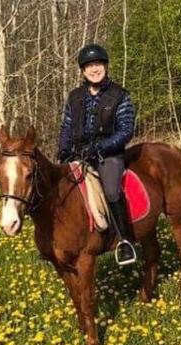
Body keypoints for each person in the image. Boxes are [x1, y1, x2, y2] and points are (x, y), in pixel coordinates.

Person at [57, 43, 137, 266]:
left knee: (111, 190)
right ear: (83, 70)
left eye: (98, 64)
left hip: (108, 155)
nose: (95, 69)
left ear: (106, 66)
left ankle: (125, 241)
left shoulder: (119, 95)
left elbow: (125, 131)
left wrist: (100, 147)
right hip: (78, 154)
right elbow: (66, 126)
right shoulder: (74, 97)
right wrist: (63, 151)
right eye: (90, 66)